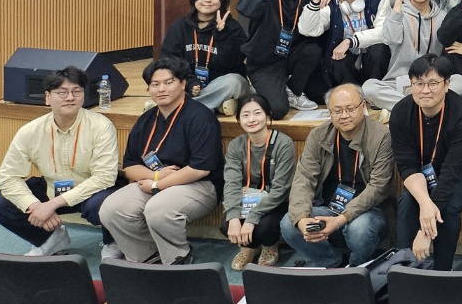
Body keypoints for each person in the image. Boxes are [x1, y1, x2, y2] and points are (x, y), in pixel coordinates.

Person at [100, 57, 223, 265]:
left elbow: (200, 169)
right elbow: (130, 166)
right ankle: (148, 256)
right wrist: (155, 176)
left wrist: (158, 184)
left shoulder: (201, 116)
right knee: (111, 208)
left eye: (168, 82)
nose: (161, 89)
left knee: (158, 210)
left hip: (199, 185)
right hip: (155, 181)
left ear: (183, 84)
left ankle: (177, 257)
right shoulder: (146, 119)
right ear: (148, 89)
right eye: (155, 84)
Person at [0, 67, 119, 257]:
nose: (70, 98)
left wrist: (51, 205)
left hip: (92, 190)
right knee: (0, 203)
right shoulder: (30, 131)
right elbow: (8, 177)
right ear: (47, 97)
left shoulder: (101, 126)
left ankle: (113, 242)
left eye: (77, 91)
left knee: (103, 204)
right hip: (53, 187)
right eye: (62, 92)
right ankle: (50, 238)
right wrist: (35, 206)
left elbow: (104, 177)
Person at [388, 55, 462, 270]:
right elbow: (407, 166)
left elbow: (452, 174)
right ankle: (403, 268)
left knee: (448, 208)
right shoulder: (400, 112)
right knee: (408, 200)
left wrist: (424, 232)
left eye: (433, 83)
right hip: (428, 169)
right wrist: (425, 202)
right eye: (419, 84)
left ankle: (442, 272)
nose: (425, 90)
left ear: (447, 84)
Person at [280, 83, 393, 267]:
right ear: (330, 112)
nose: (344, 116)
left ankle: (355, 268)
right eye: (337, 111)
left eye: (350, 109)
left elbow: (378, 188)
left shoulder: (381, 136)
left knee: (359, 230)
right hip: (329, 207)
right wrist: (301, 219)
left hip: (369, 211)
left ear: (363, 106)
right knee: (289, 223)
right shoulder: (318, 135)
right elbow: (303, 179)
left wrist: (340, 220)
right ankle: (332, 263)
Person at [236, 0, 320, 115]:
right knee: (278, 110)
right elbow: (246, 9)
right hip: (264, 60)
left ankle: (293, 90)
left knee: (313, 50)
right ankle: (257, 86)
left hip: (291, 55)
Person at [221, 94, 296, 270]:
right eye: (245, 115)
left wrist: (251, 218)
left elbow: (281, 189)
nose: (252, 119)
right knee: (227, 225)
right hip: (247, 198)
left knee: (264, 227)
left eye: (257, 113)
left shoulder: (283, 143)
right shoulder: (236, 145)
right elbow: (231, 182)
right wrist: (233, 216)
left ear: (267, 116)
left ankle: (270, 245)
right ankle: (249, 247)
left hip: (276, 201)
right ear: (238, 120)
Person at [158, 0, 251, 116]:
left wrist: (222, 35)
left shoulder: (232, 27)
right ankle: (216, 104)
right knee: (165, 78)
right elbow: (169, 60)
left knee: (235, 82)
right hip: (189, 85)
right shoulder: (180, 27)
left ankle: (181, 108)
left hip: (221, 84)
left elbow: (233, 62)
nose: (208, 0)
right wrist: (190, 82)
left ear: (222, 0)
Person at [299, 0, 393, 90]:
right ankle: (352, 95)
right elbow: (308, 30)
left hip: (369, 61)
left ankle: (373, 93)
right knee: (337, 57)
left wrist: (351, 41)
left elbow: (384, 32)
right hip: (343, 63)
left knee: (380, 50)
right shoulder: (330, 2)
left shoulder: (379, 0)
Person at [362, 0, 443, 110]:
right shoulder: (397, 13)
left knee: (459, 81)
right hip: (400, 80)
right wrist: (398, 1)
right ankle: (420, 108)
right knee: (369, 87)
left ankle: (405, 107)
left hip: (433, 81)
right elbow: (391, 39)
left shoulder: (442, 16)